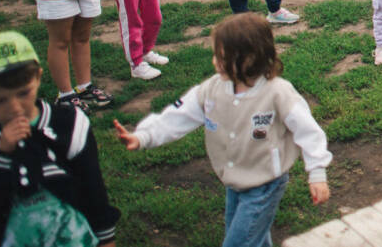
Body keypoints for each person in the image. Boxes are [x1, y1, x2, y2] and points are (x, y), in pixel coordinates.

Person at [114, 13, 331, 246]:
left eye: (221, 57)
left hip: (265, 185)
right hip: (234, 182)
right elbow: (178, 116)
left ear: (249, 59)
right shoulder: (212, 90)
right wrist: (144, 136)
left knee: (237, 242)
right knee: (251, 238)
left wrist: (317, 173)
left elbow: (309, 132)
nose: (215, 62)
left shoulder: (278, 93)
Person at [0, 30, 119, 246]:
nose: (14, 108)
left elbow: (92, 189)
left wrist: (106, 239)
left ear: (38, 77)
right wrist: (2, 156)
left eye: (23, 93)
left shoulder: (70, 125)